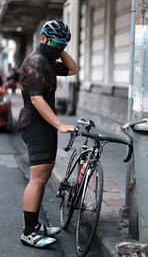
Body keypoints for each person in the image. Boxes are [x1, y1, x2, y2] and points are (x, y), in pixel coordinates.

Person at [17, 20, 79, 248]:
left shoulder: (48, 61)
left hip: (45, 124)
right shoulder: (35, 62)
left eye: (63, 44)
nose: (59, 48)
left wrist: (60, 48)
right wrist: (61, 124)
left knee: (42, 177)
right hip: (35, 124)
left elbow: (73, 69)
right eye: (56, 43)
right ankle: (28, 232)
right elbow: (36, 99)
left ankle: (34, 226)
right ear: (43, 38)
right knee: (38, 178)